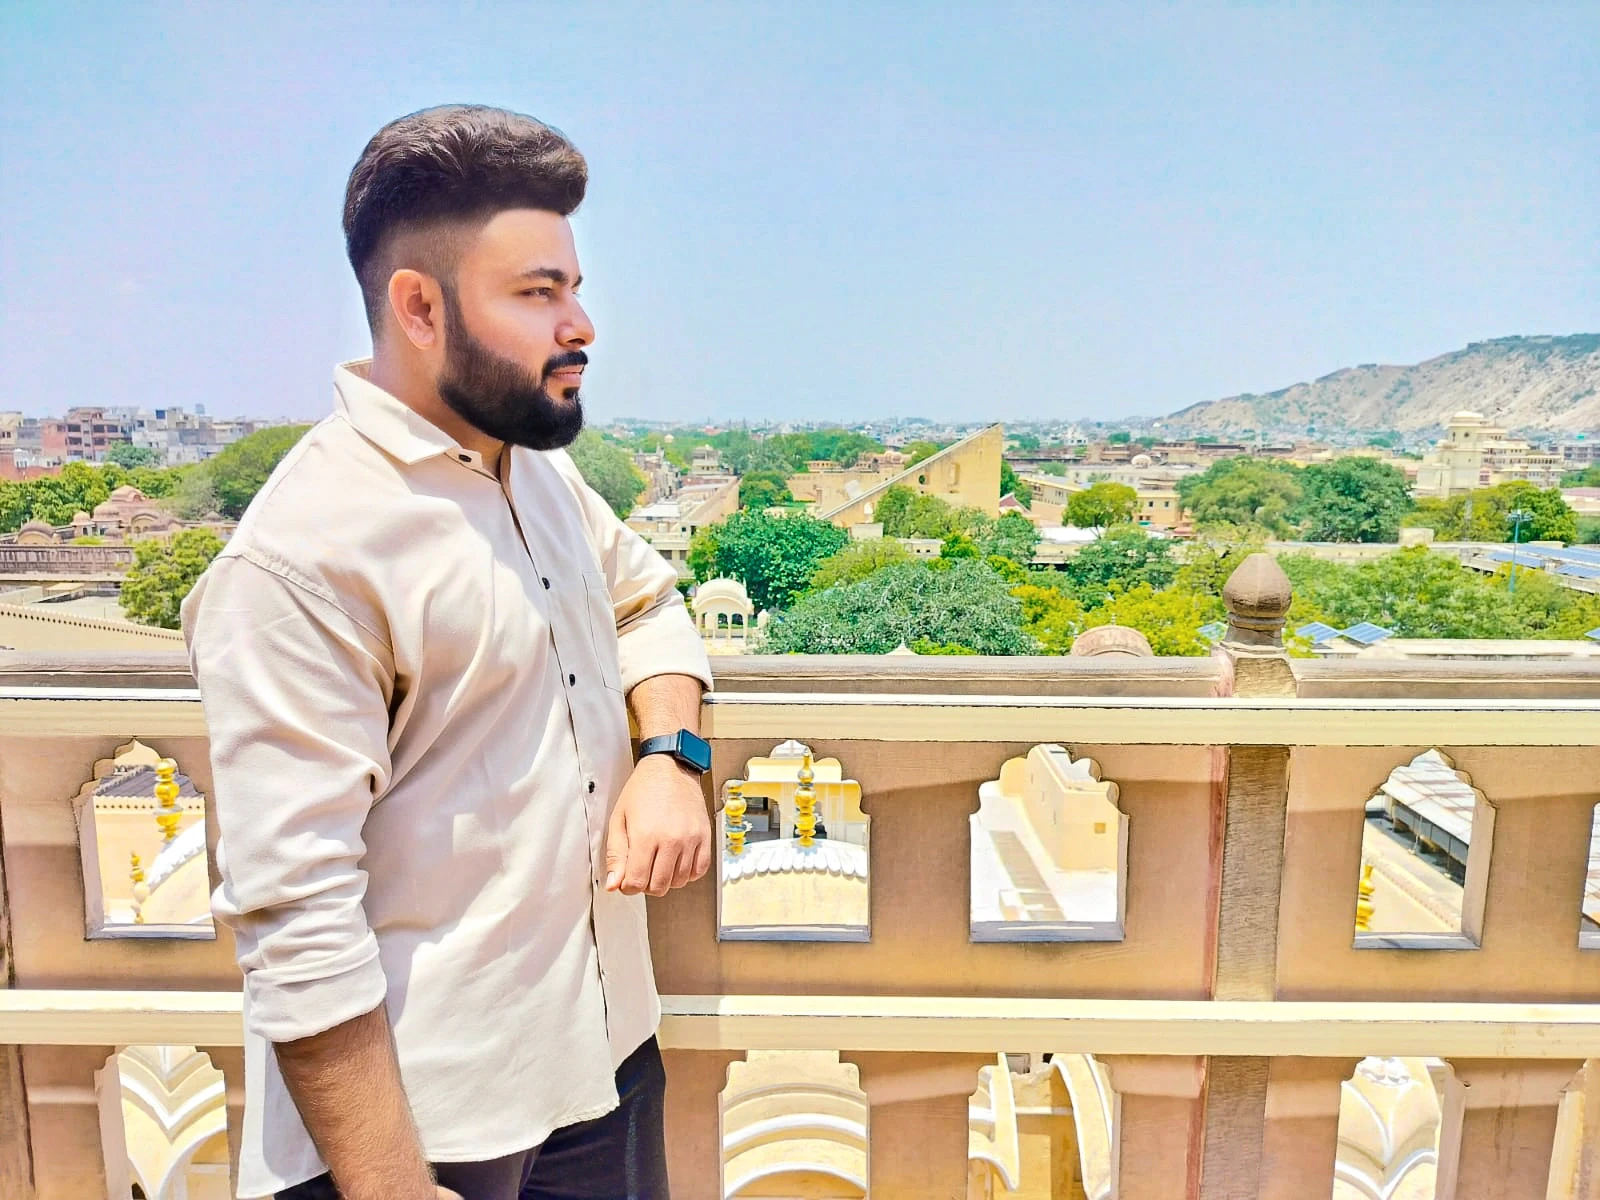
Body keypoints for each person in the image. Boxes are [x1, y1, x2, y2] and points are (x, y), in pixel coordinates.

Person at [182, 105, 714, 1200]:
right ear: (419, 307)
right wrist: (388, 1184)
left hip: (604, 1052)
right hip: (431, 1120)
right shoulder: (304, 556)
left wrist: (670, 755)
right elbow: (296, 913)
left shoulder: (538, 474)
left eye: (573, 287)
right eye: (537, 293)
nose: (581, 324)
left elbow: (647, 604)